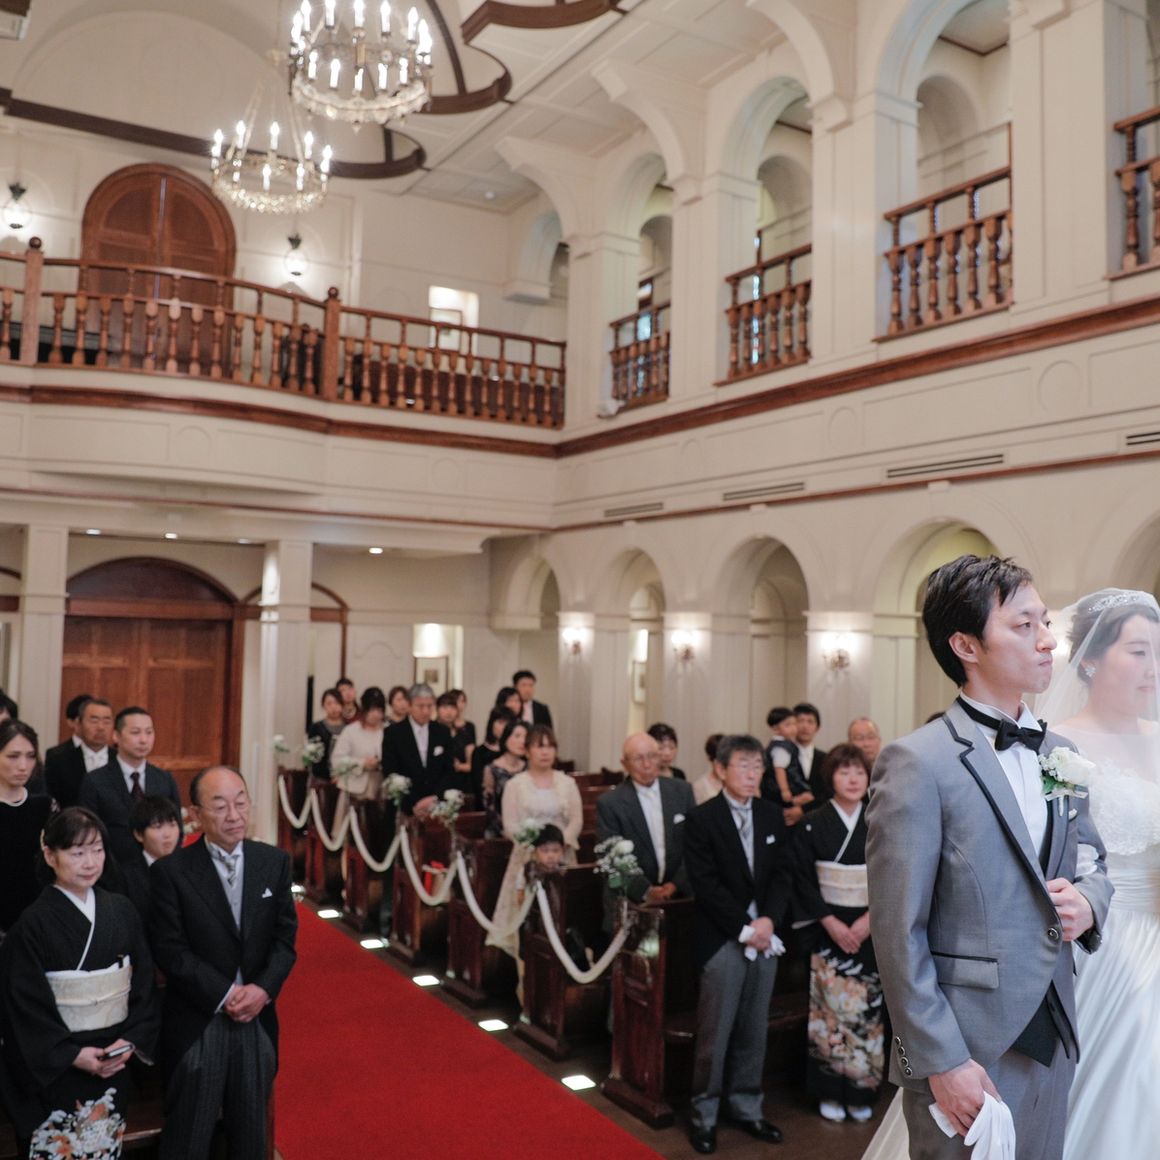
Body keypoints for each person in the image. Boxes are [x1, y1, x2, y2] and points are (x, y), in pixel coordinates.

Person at [865, 555, 1112, 1160]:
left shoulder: (1060, 752)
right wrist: (940, 1060)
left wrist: (1089, 903)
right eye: (1024, 625)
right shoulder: (917, 762)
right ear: (966, 646)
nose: (1047, 640)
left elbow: (1093, 860)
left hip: (1055, 1029)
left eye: (1044, 622)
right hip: (968, 1047)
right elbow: (898, 932)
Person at [1034, 589, 1160, 1160]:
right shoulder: (1058, 746)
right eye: (1137, 651)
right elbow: (1047, 851)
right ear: (1089, 659)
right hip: (1100, 940)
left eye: (1157, 652)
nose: (1153, 667)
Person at [150, 765, 297, 1160]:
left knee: (251, 1140)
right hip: (200, 1019)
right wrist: (225, 993)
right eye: (219, 806)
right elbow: (170, 950)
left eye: (240, 803)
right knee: (189, 1139)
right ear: (195, 814)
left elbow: (285, 942)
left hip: (257, 1018)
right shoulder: (171, 871)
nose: (234, 815)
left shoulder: (274, 862)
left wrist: (262, 989)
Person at [0, 807, 159, 1155]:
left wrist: (129, 1042)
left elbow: (143, 984)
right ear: (50, 855)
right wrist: (71, 1055)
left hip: (115, 1059)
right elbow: (23, 1007)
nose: (90, 862)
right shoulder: (31, 926)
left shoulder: (121, 910)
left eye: (97, 850)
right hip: (59, 1069)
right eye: (77, 852)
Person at [684, 734, 793, 1154]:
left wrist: (768, 921)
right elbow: (705, 884)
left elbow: (783, 874)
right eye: (743, 766)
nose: (752, 774)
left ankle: (747, 1106)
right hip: (723, 939)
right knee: (715, 1032)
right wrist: (746, 929)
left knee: (754, 1028)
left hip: (767, 938)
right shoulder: (702, 818)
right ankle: (704, 1114)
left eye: (757, 766)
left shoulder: (770, 814)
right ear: (720, 769)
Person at [792, 744, 883, 1123]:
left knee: (866, 1012)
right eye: (844, 772)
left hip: (869, 927)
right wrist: (829, 921)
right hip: (827, 927)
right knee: (829, 1012)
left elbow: (892, 876)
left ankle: (862, 1089)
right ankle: (829, 1090)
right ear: (830, 777)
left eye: (859, 772)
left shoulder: (880, 820)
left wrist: (869, 921)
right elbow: (802, 878)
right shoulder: (811, 822)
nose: (853, 779)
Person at [487, 725, 582, 958]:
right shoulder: (515, 785)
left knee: (563, 914)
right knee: (527, 916)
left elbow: (576, 820)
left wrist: (559, 844)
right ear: (527, 750)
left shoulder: (567, 783)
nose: (545, 752)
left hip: (561, 856)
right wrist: (534, 846)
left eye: (550, 746)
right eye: (539, 747)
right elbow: (510, 824)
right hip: (527, 858)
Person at [596, 731, 696, 931]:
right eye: (638, 758)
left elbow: (695, 843)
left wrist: (675, 885)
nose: (647, 764)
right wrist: (647, 891)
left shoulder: (682, 791)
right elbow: (612, 857)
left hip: (680, 897)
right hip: (631, 902)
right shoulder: (610, 803)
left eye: (652, 756)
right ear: (624, 764)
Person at [79, 706, 182, 865]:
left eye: (149, 732)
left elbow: (177, 825)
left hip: (159, 867)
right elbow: (88, 830)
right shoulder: (95, 780)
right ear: (116, 736)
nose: (143, 740)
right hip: (113, 866)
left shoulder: (164, 779)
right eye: (135, 732)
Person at [0, 720, 54, 941]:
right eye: (13, 756)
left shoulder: (44, 807)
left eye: (30, 756)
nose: (23, 766)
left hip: (34, 919)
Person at [383, 683, 457, 814]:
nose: (426, 711)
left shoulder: (442, 732)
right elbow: (391, 772)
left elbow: (448, 770)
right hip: (405, 806)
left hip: (436, 805)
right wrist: (415, 803)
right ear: (409, 705)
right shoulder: (394, 733)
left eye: (429, 706)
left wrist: (434, 798)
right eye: (421, 706)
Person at [117, 794, 182, 922]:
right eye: (158, 826)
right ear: (139, 834)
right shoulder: (125, 876)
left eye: (172, 824)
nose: (168, 834)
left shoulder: (188, 867)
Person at [43, 697, 114, 809]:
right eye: (94, 720)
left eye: (107, 721)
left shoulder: (120, 759)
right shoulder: (60, 761)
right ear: (79, 724)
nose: (101, 727)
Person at [330, 686, 387, 799]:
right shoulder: (351, 731)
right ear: (364, 710)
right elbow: (337, 760)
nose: (376, 715)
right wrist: (362, 763)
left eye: (380, 710)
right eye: (372, 710)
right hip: (353, 789)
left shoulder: (387, 731)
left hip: (381, 790)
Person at [764, 707, 812, 824]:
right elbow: (779, 769)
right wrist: (785, 790)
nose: (793, 728)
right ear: (775, 728)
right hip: (783, 785)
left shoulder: (786, 744)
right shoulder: (781, 747)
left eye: (794, 724)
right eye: (788, 725)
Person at [482, 718, 528, 838]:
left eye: (526, 737)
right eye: (517, 736)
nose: (522, 741)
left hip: (528, 826)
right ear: (506, 738)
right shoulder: (492, 768)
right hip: (499, 829)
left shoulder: (529, 768)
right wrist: (506, 829)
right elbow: (489, 805)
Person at [471, 706, 514, 801]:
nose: (504, 727)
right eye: (500, 722)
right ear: (491, 724)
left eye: (508, 723)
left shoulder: (515, 752)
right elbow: (478, 785)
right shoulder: (479, 752)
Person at [306, 686, 346, 780]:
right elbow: (313, 758)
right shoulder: (316, 728)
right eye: (329, 703)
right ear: (323, 706)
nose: (333, 707)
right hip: (321, 779)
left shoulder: (349, 729)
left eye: (337, 703)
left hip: (345, 778)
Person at [794, 702, 829, 802]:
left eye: (810, 722)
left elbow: (828, 791)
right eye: (800, 721)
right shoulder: (783, 756)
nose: (805, 726)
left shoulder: (826, 759)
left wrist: (804, 808)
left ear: (817, 727)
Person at [692, 733, 725, 805]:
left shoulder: (735, 781)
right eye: (718, 760)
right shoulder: (699, 785)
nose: (723, 764)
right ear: (709, 758)